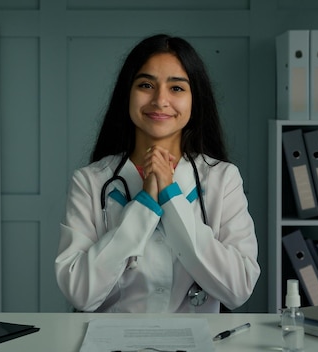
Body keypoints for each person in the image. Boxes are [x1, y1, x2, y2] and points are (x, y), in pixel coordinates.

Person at [55, 34, 260, 313]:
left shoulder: (223, 178)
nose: (160, 100)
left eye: (177, 88)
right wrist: (145, 204)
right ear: (127, 94)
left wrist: (170, 194)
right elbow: (80, 293)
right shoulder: (90, 181)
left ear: (194, 100)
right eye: (146, 85)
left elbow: (238, 290)